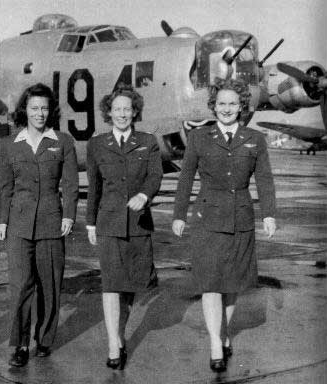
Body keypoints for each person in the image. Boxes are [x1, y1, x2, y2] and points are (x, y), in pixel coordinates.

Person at [172, 78, 277, 372]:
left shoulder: (255, 139)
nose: (227, 109)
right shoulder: (199, 138)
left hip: (241, 218)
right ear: (213, 107)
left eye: (233, 104)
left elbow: (265, 179)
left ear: (241, 106)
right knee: (210, 284)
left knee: (232, 285)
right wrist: (179, 214)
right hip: (207, 220)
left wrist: (269, 214)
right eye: (221, 104)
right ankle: (216, 344)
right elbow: (185, 178)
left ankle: (223, 331)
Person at [0, 83, 78, 367]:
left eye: (44, 108)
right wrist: (3, 221)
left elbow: (70, 184)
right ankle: (19, 344)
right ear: (25, 111)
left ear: (51, 111)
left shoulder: (63, 142)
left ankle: (44, 339)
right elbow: (4, 187)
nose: (40, 113)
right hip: (19, 224)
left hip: (51, 222)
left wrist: (68, 215)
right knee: (20, 286)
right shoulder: (9, 144)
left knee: (50, 284)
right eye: (34, 108)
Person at [86, 84, 163, 370]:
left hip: (139, 224)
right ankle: (112, 344)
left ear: (134, 112)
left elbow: (155, 175)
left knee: (130, 286)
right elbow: (94, 187)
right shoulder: (97, 144)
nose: (121, 114)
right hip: (108, 224)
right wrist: (90, 223)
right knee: (110, 284)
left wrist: (144, 195)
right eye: (116, 109)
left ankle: (119, 334)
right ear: (109, 112)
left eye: (127, 109)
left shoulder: (148, 141)